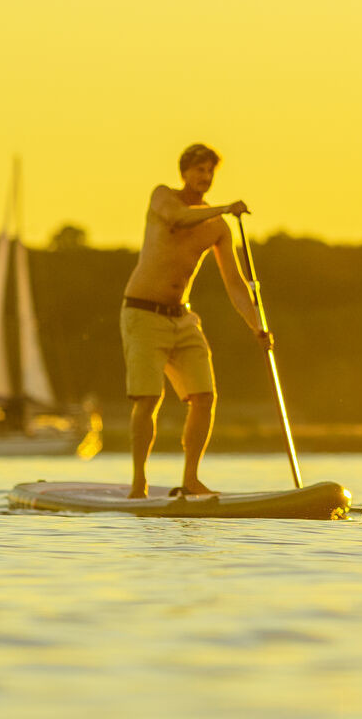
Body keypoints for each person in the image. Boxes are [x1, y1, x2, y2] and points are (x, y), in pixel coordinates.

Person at [120, 143, 268, 498]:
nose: (205, 177)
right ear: (184, 171)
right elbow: (178, 218)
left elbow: (234, 284)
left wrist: (257, 325)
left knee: (204, 397)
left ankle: (191, 479)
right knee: (148, 399)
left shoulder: (217, 228)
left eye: (210, 172)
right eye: (199, 170)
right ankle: (138, 484)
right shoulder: (163, 198)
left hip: (182, 318)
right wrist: (226, 208)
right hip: (142, 313)